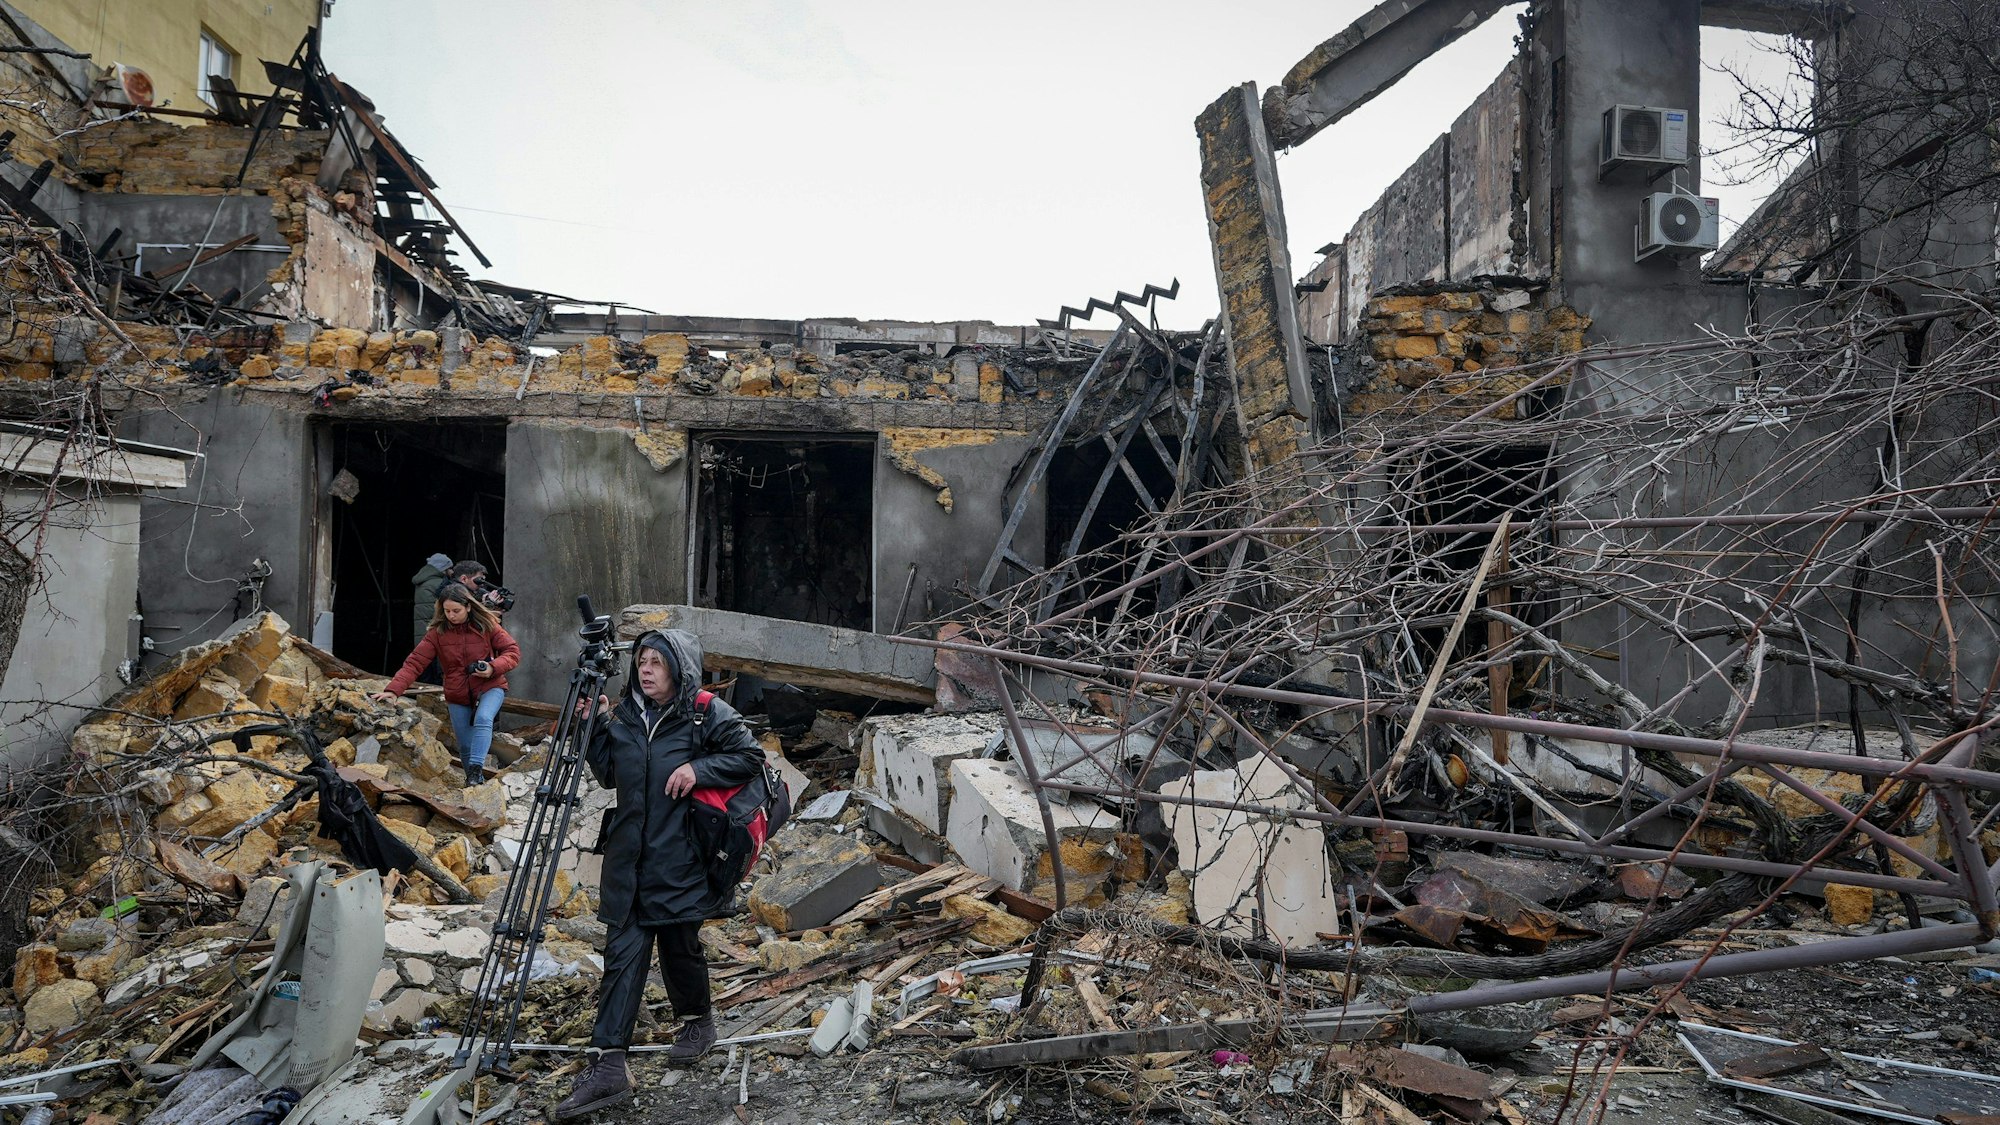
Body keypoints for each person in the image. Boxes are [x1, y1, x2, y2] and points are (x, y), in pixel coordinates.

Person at [552, 629, 764, 1120]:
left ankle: (697, 1020)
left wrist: (698, 770)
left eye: (657, 662)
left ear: (679, 669)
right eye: (641, 661)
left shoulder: (704, 713)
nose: (645, 670)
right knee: (622, 958)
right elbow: (609, 773)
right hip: (628, 861)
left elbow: (750, 758)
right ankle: (609, 1065)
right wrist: (593, 729)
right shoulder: (625, 714)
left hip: (681, 858)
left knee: (679, 947)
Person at [371, 583, 520, 786]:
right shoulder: (437, 633)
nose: (451, 615)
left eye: (456, 610)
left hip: (490, 686)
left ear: (468, 606)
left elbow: (512, 652)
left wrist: (493, 667)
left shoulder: (488, 625)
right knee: (465, 746)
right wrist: (393, 690)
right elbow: (415, 663)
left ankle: (476, 770)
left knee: (484, 718)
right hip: (457, 692)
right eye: (447, 611)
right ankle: (473, 784)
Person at [410, 553, 451, 685]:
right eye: (450, 568)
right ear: (443, 569)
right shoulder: (439, 583)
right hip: (436, 632)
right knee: (438, 674)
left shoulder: (423, 581)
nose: (452, 571)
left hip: (422, 633)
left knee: (425, 672)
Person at [449, 559, 516, 616]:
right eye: (479, 581)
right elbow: (470, 622)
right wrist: (488, 605)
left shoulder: (474, 592)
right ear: (464, 579)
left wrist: (495, 608)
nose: (481, 585)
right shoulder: (453, 594)